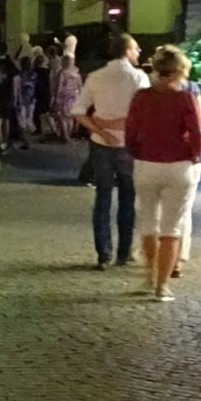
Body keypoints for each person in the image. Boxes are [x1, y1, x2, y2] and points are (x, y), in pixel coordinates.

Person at [127, 45, 201, 302]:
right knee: (172, 228)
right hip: (179, 165)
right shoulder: (184, 99)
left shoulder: (141, 97)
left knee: (148, 221)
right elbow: (196, 132)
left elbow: (130, 132)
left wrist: (137, 152)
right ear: (179, 72)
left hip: (147, 163)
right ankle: (162, 287)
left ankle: (150, 276)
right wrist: (195, 157)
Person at [76, 33, 148, 269]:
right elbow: (144, 115)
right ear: (127, 50)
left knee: (102, 198)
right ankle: (124, 252)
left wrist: (100, 127)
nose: (138, 53)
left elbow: (77, 111)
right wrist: (122, 124)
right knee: (128, 198)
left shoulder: (96, 77)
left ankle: (103, 253)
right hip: (128, 145)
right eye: (136, 49)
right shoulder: (139, 78)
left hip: (101, 144)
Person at [47, 35, 84, 142]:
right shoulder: (76, 73)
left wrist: (55, 96)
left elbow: (59, 86)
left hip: (63, 97)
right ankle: (68, 134)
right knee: (70, 117)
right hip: (73, 97)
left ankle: (65, 137)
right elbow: (80, 85)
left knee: (62, 117)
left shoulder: (62, 73)